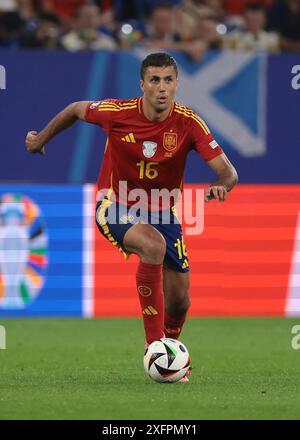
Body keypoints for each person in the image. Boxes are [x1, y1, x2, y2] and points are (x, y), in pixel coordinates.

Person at [25, 52, 238, 382]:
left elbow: (228, 172)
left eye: (168, 80)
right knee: (151, 246)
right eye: (155, 80)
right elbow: (76, 109)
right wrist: (40, 139)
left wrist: (220, 186)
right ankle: (154, 348)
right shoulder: (117, 113)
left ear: (177, 84)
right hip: (114, 204)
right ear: (142, 85)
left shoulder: (188, 122)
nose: (162, 88)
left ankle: (168, 355)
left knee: (180, 302)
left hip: (164, 211)